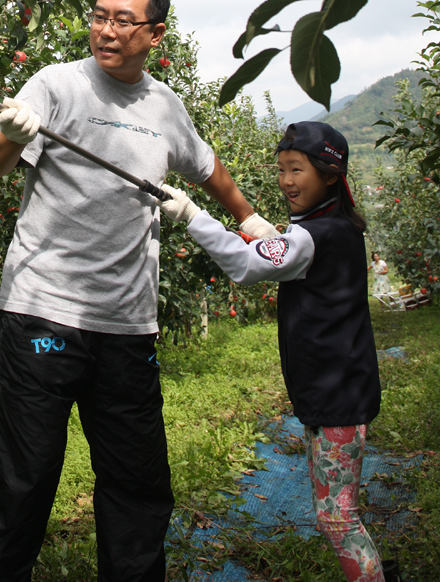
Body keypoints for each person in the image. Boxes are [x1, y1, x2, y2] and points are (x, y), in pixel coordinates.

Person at [0, 0, 278, 582]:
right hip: (41, 311)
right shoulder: (55, 85)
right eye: (99, 16)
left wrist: (249, 219)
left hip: (128, 324)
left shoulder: (164, 105)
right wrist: (7, 132)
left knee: (137, 485)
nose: (106, 31)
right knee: (20, 481)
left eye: (123, 21)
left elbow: (205, 164)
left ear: (155, 34)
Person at [158, 121, 401, 582]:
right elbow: (283, 248)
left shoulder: (313, 236)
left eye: (298, 170)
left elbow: (250, 266)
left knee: (337, 518)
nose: (287, 181)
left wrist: (193, 216)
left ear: (330, 175)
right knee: (336, 509)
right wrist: (256, 226)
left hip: (337, 398)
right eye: (282, 169)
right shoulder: (330, 226)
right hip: (340, 388)